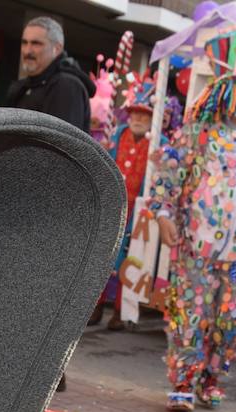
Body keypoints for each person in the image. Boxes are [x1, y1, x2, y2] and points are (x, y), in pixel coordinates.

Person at [148, 30, 236, 412]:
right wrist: (163, 216)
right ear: (225, 90)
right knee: (190, 315)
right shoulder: (198, 134)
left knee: (234, 322)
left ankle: (212, 377)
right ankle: (183, 381)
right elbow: (167, 180)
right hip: (197, 245)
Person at [89, 76, 153, 331]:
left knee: (130, 262)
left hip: (138, 213)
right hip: (115, 206)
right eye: (135, 114)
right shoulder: (116, 136)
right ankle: (95, 308)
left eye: (143, 115)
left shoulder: (154, 143)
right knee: (103, 258)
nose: (137, 119)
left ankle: (121, 313)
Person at [5, 16, 91, 132]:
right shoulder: (25, 86)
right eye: (24, 43)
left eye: (36, 43)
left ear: (57, 48)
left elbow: (62, 143)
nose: (27, 51)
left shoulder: (66, 85)